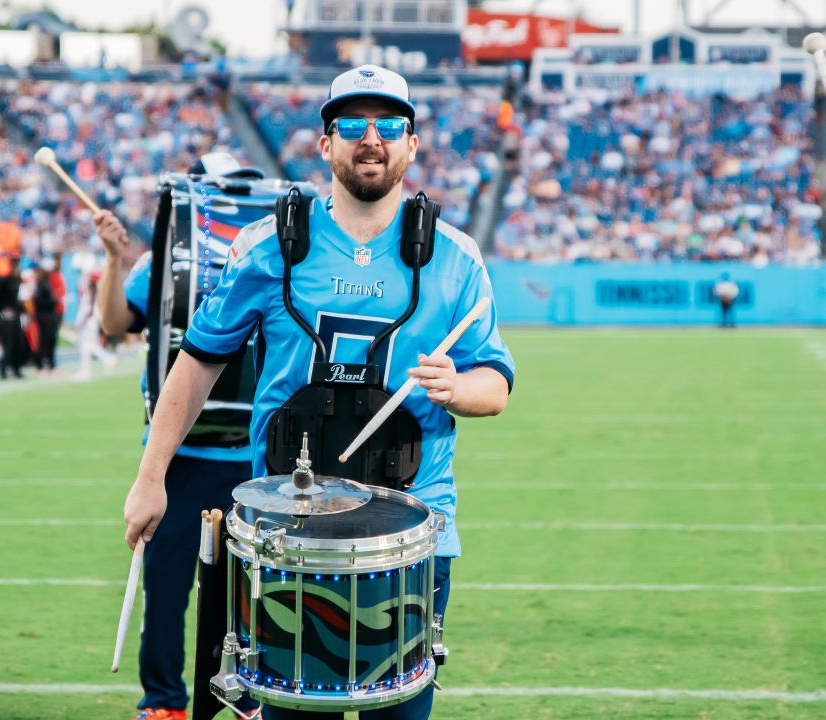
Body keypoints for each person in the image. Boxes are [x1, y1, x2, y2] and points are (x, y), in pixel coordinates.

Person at [109, 66, 515, 720]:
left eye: (390, 125)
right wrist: (150, 476)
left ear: (413, 145)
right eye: (352, 124)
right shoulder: (268, 247)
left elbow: (494, 385)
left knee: (397, 713)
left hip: (413, 533)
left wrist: (457, 387)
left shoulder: (457, 257)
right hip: (286, 532)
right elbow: (197, 363)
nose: (371, 138)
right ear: (325, 144)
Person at [93, 153, 266, 720]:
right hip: (180, 454)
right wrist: (116, 262)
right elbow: (116, 325)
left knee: (251, 594)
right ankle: (164, 701)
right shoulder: (168, 259)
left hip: (251, 453)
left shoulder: (278, 251)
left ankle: (243, 696)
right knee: (165, 588)